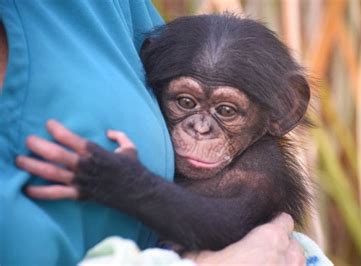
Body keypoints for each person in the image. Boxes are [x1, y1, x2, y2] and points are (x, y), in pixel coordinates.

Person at [0, 1, 304, 265]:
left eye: (226, 111)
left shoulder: (261, 164)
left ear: (283, 112)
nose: (200, 128)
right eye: (185, 102)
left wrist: (129, 184)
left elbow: (224, 225)